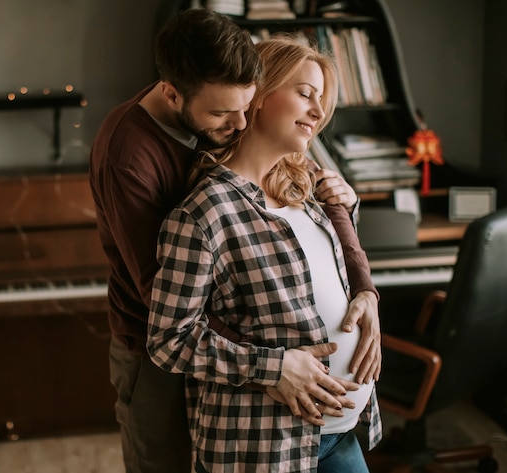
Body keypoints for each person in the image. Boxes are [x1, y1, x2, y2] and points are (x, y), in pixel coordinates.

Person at [89, 8, 380, 473]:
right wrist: (273, 364)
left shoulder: (255, 145)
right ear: (172, 94)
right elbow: (169, 317)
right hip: (149, 348)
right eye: (226, 114)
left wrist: (364, 286)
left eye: (245, 108)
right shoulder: (132, 159)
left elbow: (320, 218)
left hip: (325, 428)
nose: (241, 124)